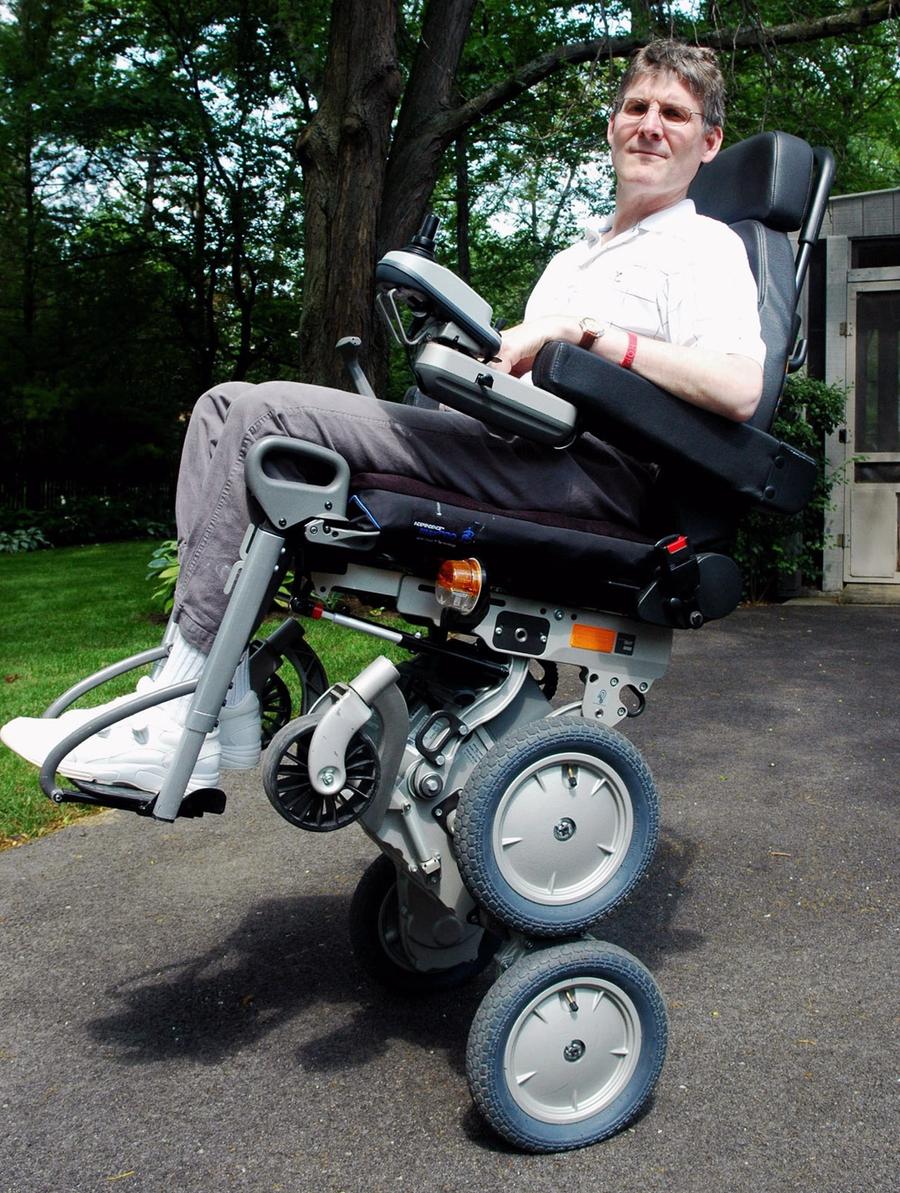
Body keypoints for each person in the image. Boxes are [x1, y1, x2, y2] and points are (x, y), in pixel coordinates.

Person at [1, 38, 766, 794]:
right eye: (636, 107)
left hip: (586, 474)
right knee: (222, 409)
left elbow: (738, 387)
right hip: (515, 445)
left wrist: (587, 335)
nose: (650, 125)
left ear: (710, 140)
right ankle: (211, 690)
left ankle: (179, 722)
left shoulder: (704, 248)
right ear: (611, 126)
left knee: (260, 418)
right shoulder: (577, 256)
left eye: (674, 112)